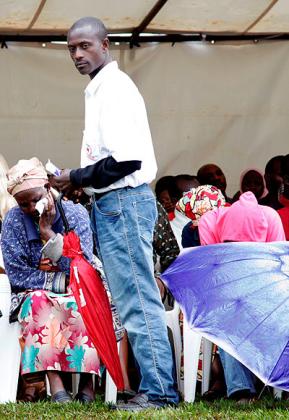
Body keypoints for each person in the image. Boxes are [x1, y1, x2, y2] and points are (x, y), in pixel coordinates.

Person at [50, 17, 178, 411]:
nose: (77, 54)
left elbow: (125, 161)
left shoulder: (115, 89)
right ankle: (155, 389)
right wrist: (78, 180)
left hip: (123, 200)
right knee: (131, 297)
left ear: (105, 44)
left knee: (138, 298)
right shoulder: (101, 88)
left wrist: (73, 176)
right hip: (113, 201)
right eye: (71, 48)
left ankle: (159, 393)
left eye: (85, 46)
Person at [1, 157, 102, 404]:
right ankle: (56, 386)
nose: (30, 208)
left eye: (35, 199)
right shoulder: (14, 220)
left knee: (83, 301)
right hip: (32, 293)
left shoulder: (75, 214)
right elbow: (17, 273)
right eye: (23, 204)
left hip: (81, 285)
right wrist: (59, 281)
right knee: (40, 302)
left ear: (48, 187)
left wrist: (48, 234)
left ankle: (87, 386)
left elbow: (81, 265)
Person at [198, 191, 285, 403]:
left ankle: (274, 379)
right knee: (227, 311)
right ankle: (241, 389)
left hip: (266, 287)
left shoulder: (271, 218)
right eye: (233, 245)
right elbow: (213, 275)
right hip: (225, 290)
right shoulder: (209, 222)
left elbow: (280, 268)